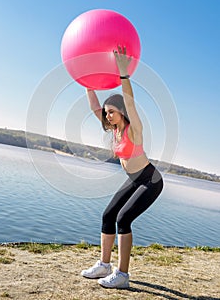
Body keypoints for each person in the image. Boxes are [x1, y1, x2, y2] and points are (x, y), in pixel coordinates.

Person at [81, 45, 163, 289]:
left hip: (150, 180)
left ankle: (123, 275)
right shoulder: (114, 131)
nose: (107, 116)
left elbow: (130, 99)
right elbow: (95, 107)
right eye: (106, 113)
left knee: (124, 218)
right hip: (134, 179)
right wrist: (87, 84)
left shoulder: (133, 128)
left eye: (112, 112)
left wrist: (123, 73)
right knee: (108, 215)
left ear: (122, 112)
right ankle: (104, 265)